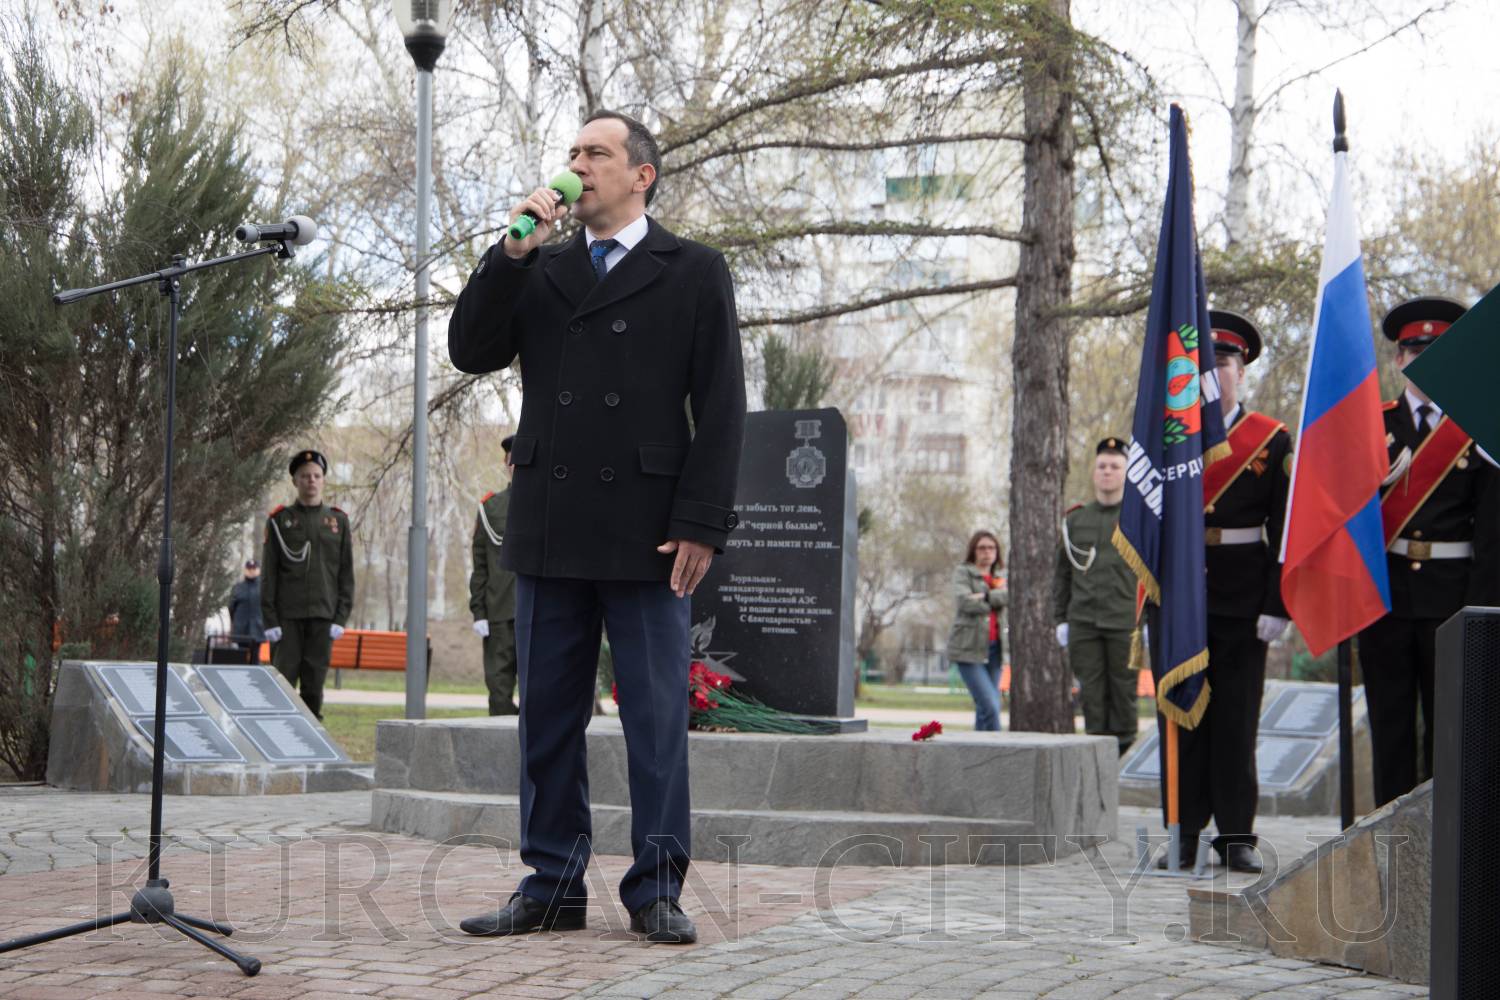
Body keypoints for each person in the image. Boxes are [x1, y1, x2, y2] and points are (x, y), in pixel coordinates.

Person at [447, 109, 745, 945]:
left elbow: (722, 404)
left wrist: (702, 523)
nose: (577, 165)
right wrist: (509, 254)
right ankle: (552, 883)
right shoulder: (540, 267)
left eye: (596, 153)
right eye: (572, 152)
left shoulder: (694, 269)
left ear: (641, 175)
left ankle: (656, 888)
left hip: (651, 531)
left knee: (654, 721)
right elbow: (470, 349)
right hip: (550, 520)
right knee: (546, 717)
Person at [1158, 310, 1291, 873]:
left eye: (1225, 363)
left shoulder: (1272, 439)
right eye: (1204, 365)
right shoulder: (1170, 434)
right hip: (1182, 595)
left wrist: (1278, 602)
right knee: (1184, 714)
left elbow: (1285, 527)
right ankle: (1184, 831)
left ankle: (1236, 835)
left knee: (1237, 719)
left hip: (1243, 595)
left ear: (1241, 371)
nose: (1215, 374)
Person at [1358, 296, 1500, 808]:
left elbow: (1492, 532)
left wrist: (1481, 609)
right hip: (1385, 599)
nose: (1427, 362)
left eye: (1439, 352)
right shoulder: (1369, 426)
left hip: (1454, 598)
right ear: (1400, 359)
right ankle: (1390, 839)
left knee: (1452, 732)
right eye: (1417, 352)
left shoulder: (1479, 429)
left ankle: (1448, 839)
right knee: (1390, 729)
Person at [1054, 437, 1140, 754]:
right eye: (1102, 466)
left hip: (1124, 622)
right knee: (1091, 693)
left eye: (1115, 466)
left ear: (1127, 473)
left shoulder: (1139, 518)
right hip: (1084, 623)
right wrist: (1060, 620)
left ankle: (1124, 756)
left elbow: (1152, 574)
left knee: (1123, 692)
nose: (1107, 472)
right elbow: (1063, 574)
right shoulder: (1076, 519)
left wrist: (1148, 619)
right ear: (1094, 473)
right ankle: (1097, 758)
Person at [260, 449, 355, 720]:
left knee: (314, 687)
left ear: (323, 480)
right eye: (304, 476)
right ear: (295, 481)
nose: (311, 480)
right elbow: (269, 575)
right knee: (283, 685)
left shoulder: (338, 521)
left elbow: (346, 574)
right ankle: (279, 734)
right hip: (287, 618)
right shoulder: (280, 521)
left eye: (316, 476)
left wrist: (341, 617)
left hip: (323, 617)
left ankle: (311, 735)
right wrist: (270, 620)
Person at [470, 435, 519, 716]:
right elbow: (480, 564)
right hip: (500, 610)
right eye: (512, 460)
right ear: (506, 463)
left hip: (540, 613)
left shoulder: (549, 503)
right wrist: (479, 612)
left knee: (541, 691)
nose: (517, 465)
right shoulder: (491, 507)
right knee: (499, 691)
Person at [946, 531, 1006, 732]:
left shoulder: (1001, 576)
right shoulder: (963, 572)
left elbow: (1010, 596)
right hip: (968, 649)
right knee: (991, 706)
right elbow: (965, 602)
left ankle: (978, 747)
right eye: (982, 548)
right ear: (974, 550)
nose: (987, 552)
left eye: (991, 548)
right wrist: (996, 599)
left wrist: (984, 596)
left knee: (984, 709)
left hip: (996, 650)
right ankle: (998, 747)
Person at [228, 559, 265, 658]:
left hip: (257, 629)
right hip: (241, 630)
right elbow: (231, 608)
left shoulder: (264, 588)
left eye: (254, 569)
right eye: (249, 569)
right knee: (240, 658)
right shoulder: (238, 587)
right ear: (245, 570)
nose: (251, 571)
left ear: (258, 570)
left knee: (255, 658)